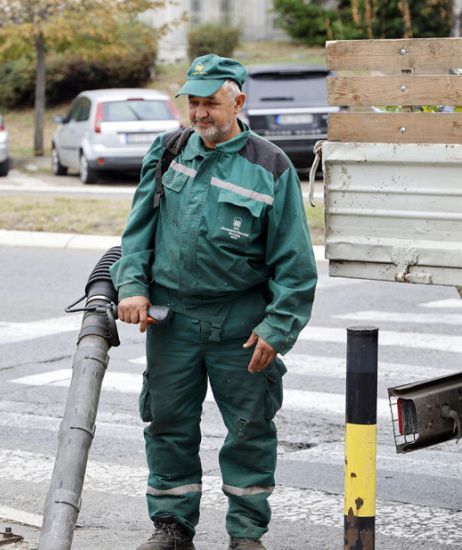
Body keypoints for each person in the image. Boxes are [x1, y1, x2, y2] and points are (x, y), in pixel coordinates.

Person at [110, 54, 318, 550]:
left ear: (238, 102)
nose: (200, 115)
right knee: (167, 423)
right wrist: (132, 286)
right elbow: (137, 232)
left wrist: (278, 326)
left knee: (249, 429)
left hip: (240, 323)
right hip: (172, 320)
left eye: (211, 104)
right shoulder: (167, 151)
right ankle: (172, 527)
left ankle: (246, 534)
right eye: (194, 103)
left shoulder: (271, 166)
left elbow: (295, 261)